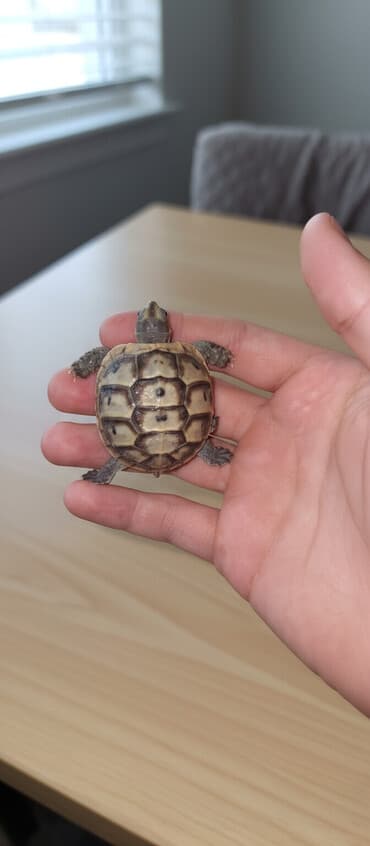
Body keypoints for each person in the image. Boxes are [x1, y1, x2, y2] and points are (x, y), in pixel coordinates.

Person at [42, 212, 370, 716]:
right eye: (156, 319)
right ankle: (197, 450)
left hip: (129, 444)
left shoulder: (119, 356)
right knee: (190, 432)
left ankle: (117, 462)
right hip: (184, 440)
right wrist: (210, 355)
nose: (155, 319)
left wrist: (88, 363)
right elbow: (210, 358)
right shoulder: (186, 355)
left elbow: (93, 366)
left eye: (155, 318)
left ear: (147, 328)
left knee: (120, 443)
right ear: (161, 329)